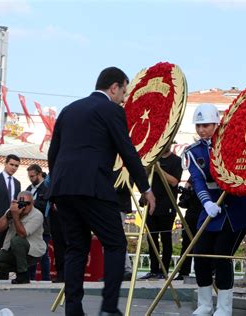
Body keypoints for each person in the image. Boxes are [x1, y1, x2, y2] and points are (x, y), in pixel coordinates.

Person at [48, 67, 155, 316]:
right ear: (114, 87)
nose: (124, 98)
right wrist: (146, 188)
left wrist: (55, 190)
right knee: (116, 243)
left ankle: (73, 311)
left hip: (64, 190)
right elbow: (127, 150)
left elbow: (54, 153)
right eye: (124, 92)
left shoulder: (69, 110)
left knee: (76, 248)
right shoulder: (112, 110)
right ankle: (108, 309)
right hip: (94, 187)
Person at [184, 104, 246, 316]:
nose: (201, 130)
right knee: (200, 255)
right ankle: (205, 304)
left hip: (236, 206)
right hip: (210, 206)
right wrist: (206, 202)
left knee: (221, 256)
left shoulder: (232, 144)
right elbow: (198, 181)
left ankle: (224, 308)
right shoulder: (193, 152)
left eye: (206, 125)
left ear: (216, 124)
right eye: (198, 125)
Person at [0, 191, 46, 284]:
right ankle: (21, 269)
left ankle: (23, 276)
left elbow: (22, 234)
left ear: (32, 203)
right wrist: (8, 215)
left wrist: (16, 216)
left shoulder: (37, 215)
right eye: (21, 203)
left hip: (32, 253)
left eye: (27, 204)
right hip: (11, 249)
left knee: (17, 240)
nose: (24, 206)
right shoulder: (13, 211)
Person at [139, 144, 182, 280]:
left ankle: (163, 270)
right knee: (151, 238)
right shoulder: (152, 159)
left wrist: (159, 170)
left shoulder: (176, 160)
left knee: (165, 238)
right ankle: (153, 269)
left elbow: (174, 182)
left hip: (167, 205)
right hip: (151, 205)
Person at [174, 177, 202, 281]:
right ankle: (183, 272)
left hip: (203, 215)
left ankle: (205, 271)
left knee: (203, 245)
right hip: (191, 216)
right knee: (186, 245)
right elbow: (183, 201)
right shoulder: (193, 178)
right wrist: (187, 193)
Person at [26, 164, 51, 281]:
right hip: (30, 227)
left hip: (43, 226)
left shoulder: (47, 187)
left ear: (40, 174)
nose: (31, 178)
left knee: (43, 254)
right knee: (30, 253)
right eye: (29, 176)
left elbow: (47, 205)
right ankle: (30, 278)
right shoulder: (29, 189)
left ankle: (46, 279)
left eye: (33, 176)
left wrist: (32, 202)